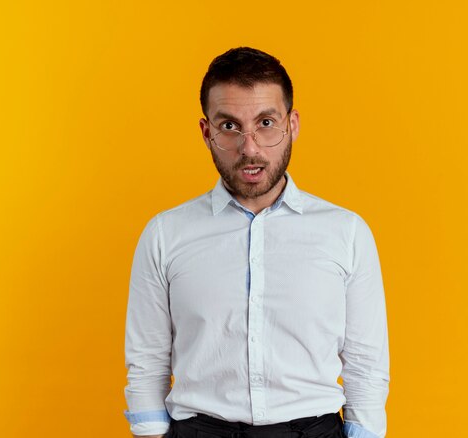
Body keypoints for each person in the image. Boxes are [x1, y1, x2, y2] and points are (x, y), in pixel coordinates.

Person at [124, 47, 390, 438]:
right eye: (229, 126)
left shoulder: (345, 233)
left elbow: (366, 365)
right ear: (206, 132)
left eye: (265, 122)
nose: (249, 147)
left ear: (292, 124)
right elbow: (147, 360)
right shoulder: (165, 234)